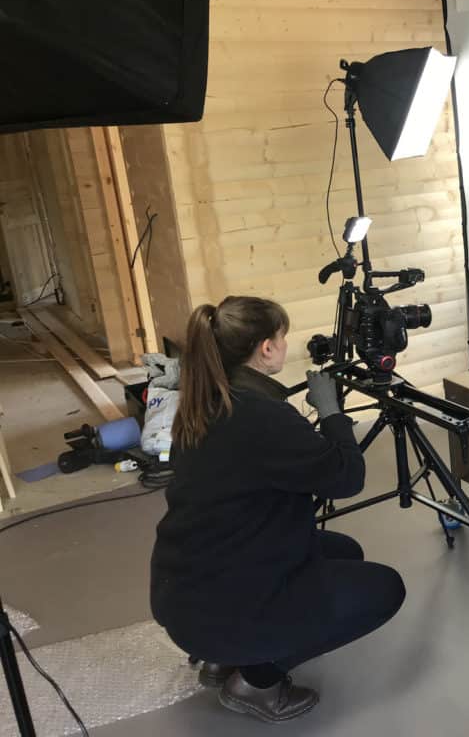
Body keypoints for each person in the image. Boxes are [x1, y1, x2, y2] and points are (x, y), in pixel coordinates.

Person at [150, 296, 405, 723]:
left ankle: (221, 657)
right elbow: (347, 480)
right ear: (267, 348)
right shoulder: (261, 416)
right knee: (385, 589)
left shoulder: (207, 399)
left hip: (183, 588)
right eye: (282, 337)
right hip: (221, 604)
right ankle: (255, 678)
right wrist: (332, 414)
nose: (285, 345)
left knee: (344, 551)